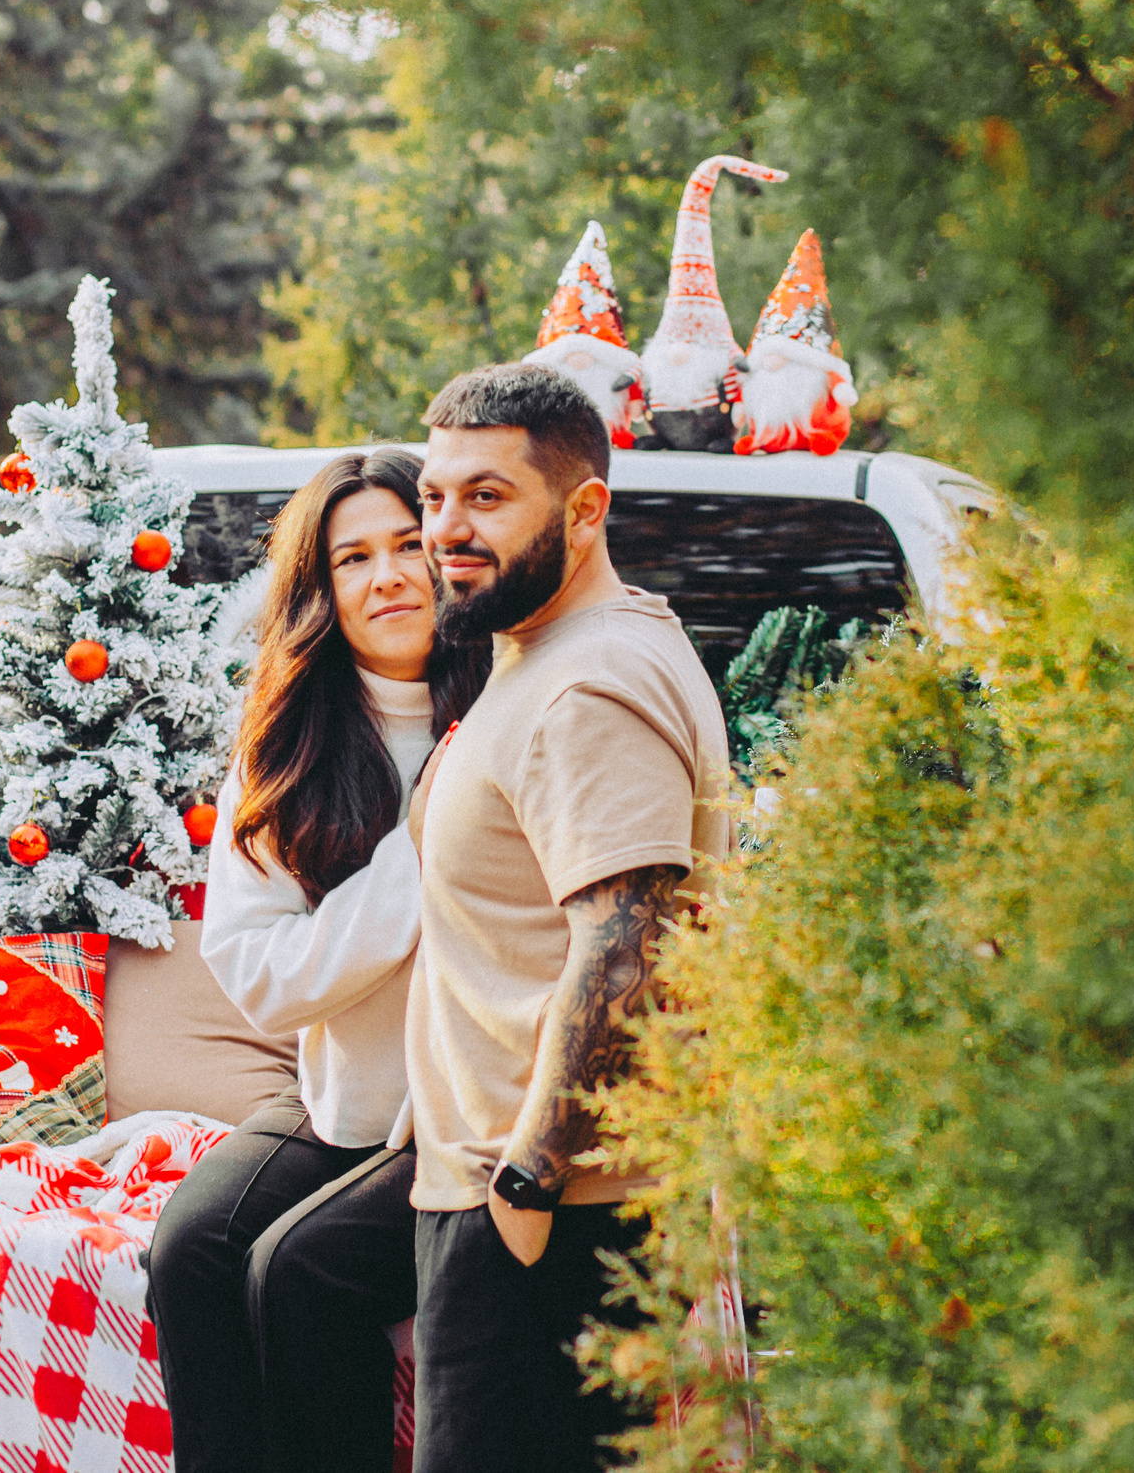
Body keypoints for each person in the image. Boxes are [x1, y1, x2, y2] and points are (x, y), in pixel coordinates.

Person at [405, 365, 731, 1472]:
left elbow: (629, 944)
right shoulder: (551, 654)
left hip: (554, 1210)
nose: (446, 528)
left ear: (585, 510)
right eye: (433, 495)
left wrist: (526, 1184)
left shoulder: (585, 686)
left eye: (487, 498)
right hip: (525, 1195)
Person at [146, 448, 487, 1473]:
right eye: (353, 559)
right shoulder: (289, 742)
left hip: (468, 1110)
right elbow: (259, 972)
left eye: (408, 547)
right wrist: (420, 848)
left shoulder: (512, 709)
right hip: (345, 1094)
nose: (387, 575)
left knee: (299, 1272)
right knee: (191, 1251)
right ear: (320, 591)